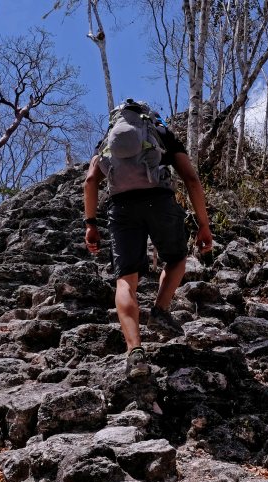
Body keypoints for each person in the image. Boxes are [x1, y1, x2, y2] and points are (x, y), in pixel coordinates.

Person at [83, 102, 213, 381]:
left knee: (124, 281)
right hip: (160, 201)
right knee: (177, 258)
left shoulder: (106, 141)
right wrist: (204, 224)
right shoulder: (161, 133)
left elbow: (91, 180)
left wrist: (91, 224)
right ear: (148, 116)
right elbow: (191, 177)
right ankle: (160, 310)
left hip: (120, 208)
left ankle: (135, 352)